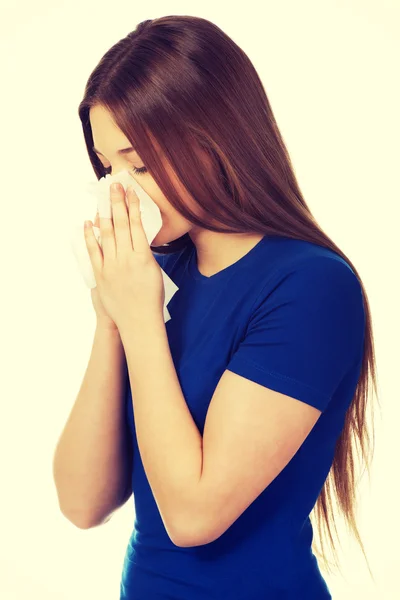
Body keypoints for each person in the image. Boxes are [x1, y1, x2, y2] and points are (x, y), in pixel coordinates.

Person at [54, 15, 378, 600]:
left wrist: (142, 319)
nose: (120, 190)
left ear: (216, 136)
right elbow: (82, 502)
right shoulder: (154, 281)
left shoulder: (311, 287)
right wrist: (112, 316)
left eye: (142, 164)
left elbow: (193, 516)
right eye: (108, 168)